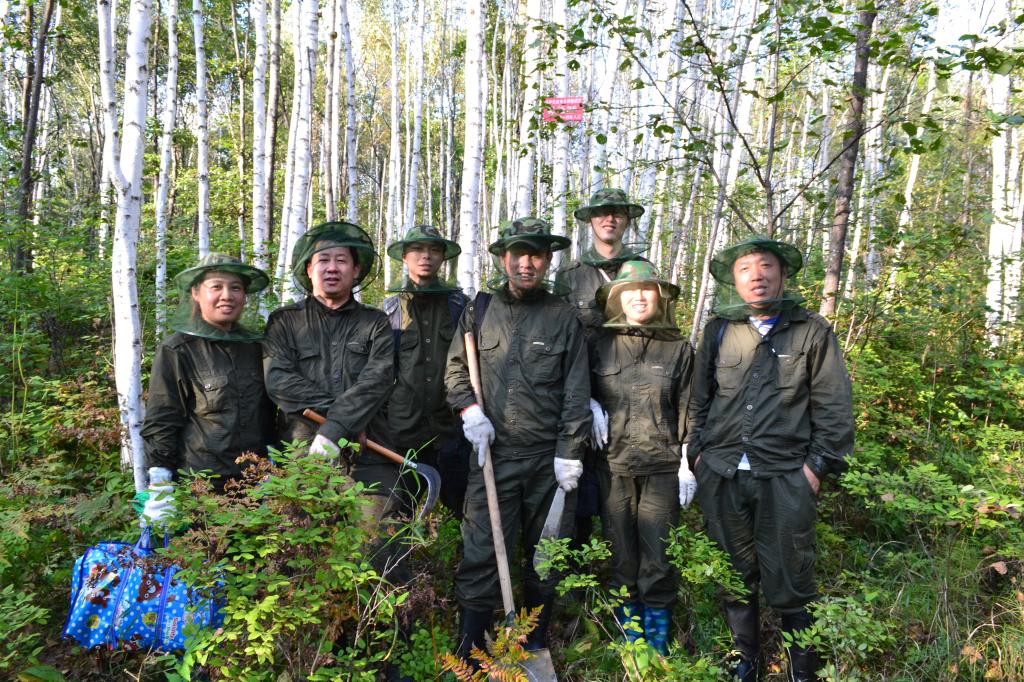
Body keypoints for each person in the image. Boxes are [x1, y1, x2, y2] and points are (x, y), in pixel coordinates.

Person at [686, 235, 854, 682]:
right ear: (735, 280)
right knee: (733, 572)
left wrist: (816, 468)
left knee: (791, 575)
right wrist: (697, 454)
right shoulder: (719, 329)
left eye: (765, 267)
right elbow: (699, 400)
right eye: (745, 269)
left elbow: (834, 409)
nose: (756, 276)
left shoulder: (811, 330)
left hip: (784, 475)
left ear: (781, 275)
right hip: (721, 472)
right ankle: (748, 662)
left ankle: (803, 669)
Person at [445, 217, 592, 661]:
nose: (526, 263)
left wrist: (569, 453)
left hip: (547, 461)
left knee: (546, 553)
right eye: (519, 254)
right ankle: (469, 646)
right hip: (492, 454)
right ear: (504, 259)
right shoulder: (479, 311)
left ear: (548, 261)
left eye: (536, 255)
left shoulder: (564, 316)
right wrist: (470, 412)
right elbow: (455, 370)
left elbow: (576, 390)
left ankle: (534, 640)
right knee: (481, 549)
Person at [262, 222, 403, 574]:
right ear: (309, 269)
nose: (332, 268)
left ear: (356, 271)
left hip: (369, 454)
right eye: (323, 260)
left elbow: (378, 379)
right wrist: (340, 424)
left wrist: (336, 427)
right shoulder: (284, 322)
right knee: (298, 557)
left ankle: (379, 625)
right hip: (304, 455)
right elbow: (278, 380)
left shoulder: (376, 323)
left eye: (341, 260)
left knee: (379, 550)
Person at [589, 261, 694, 655]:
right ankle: (630, 633)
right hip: (612, 466)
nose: (639, 296)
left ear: (659, 296)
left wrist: (688, 460)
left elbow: (691, 407)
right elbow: (573, 386)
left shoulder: (679, 348)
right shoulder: (597, 344)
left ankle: (658, 635)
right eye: (629, 290)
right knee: (620, 553)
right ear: (617, 298)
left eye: (647, 289)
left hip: (663, 467)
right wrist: (588, 403)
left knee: (659, 554)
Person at [139, 253, 274, 525]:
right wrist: (161, 483)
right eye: (217, 286)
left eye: (236, 288)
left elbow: (270, 414)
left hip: (256, 488)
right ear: (197, 293)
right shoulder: (177, 350)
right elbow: (162, 420)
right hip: (201, 491)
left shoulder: (257, 349)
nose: (227, 295)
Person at [555, 188, 651, 549]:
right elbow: (562, 339)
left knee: (626, 492)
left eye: (616, 213)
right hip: (582, 395)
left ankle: (622, 571)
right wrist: (584, 399)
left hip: (632, 397)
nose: (609, 219)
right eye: (601, 213)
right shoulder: (572, 275)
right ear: (590, 221)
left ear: (626, 220)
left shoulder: (643, 270)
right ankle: (577, 570)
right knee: (577, 482)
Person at [382, 225, 470, 518]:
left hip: (452, 428)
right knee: (398, 511)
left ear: (442, 257)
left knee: (466, 508)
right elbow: (378, 374)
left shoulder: (460, 307)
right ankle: (398, 564)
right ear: (405, 257)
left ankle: (469, 563)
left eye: (434, 250)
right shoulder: (389, 310)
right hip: (403, 431)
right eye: (418, 250)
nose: (426, 257)